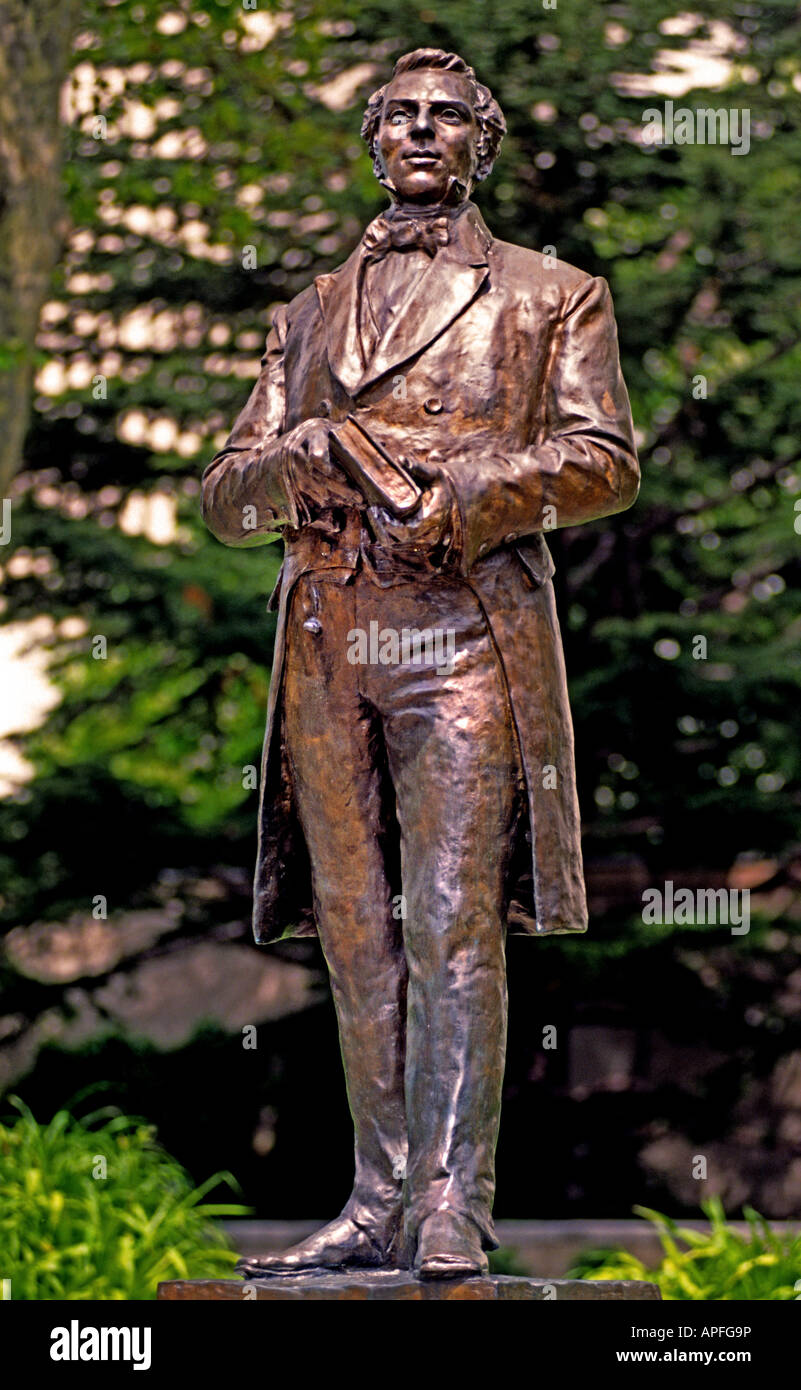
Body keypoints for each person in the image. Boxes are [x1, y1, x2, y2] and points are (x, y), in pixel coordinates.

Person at [201, 47, 640, 1279]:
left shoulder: (554, 295)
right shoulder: (306, 313)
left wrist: (471, 487)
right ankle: (376, 1197)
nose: (422, 133)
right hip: (330, 636)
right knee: (355, 929)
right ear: (374, 142)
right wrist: (294, 464)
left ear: (481, 144)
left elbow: (607, 458)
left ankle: (454, 1200)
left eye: (449, 117)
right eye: (399, 116)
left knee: (452, 920)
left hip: (462, 633)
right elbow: (223, 499)